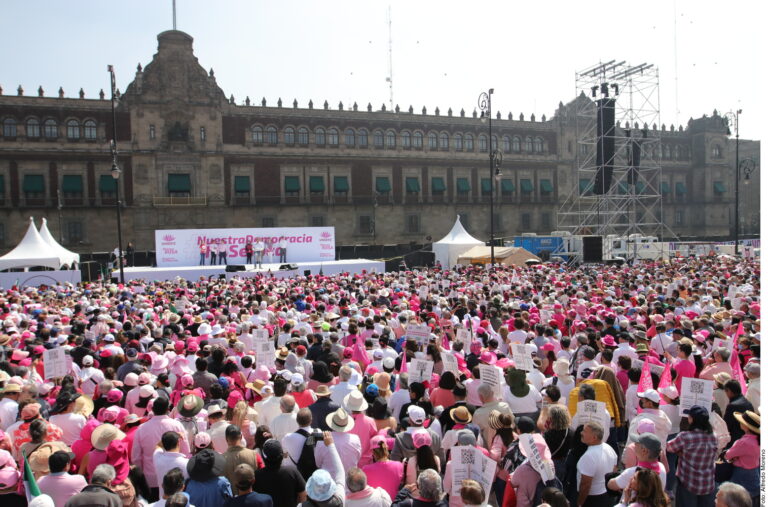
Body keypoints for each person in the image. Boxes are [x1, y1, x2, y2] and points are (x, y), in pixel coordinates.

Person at [131, 397, 190, 501]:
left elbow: (136, 458)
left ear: (152, 409)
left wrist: (141, 479)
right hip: (175, 479)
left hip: (150, 479)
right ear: (168, 409)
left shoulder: (142, 428)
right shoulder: (177, 425)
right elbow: (186, 452)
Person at [667, 405, 718, 507]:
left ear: (692, 419)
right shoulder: (714, 436)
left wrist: (681, 452)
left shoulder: (685, 437)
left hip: (688, 483)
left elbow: (669, 447)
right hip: (707, 483)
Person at [253, 439, 307, 507]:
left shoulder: (256, 475)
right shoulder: (292, 471)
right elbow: (303, 496)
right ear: (281, 455)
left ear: (264, 457)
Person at [576, 421, 617, 507]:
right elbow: (614, 470)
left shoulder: (589, 456)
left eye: (584, 431)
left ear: (594, 437)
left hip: (592, 499)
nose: (581, 432)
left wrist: (579, 504)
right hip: (606, 495)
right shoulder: (609, 448)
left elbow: (585, 484)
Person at [724, 410, 760, 503]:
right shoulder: (758, 439)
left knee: (738, 500)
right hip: (754, 472)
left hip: (741, 475)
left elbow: (728, 455)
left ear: (746, 426)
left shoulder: (744, 442)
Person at [362, 435, 404, 500]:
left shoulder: (365, 469)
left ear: (373, 452)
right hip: (393, 504)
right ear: (386, 448)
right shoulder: (399, 465)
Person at [152, 431, 189, 499]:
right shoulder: (186, 463)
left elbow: (158, 446)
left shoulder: (157, 457)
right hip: (181, 501)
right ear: (178, 442)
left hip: (162, 500)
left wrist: (171, 437)